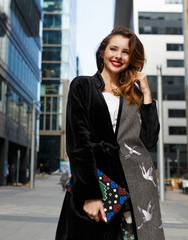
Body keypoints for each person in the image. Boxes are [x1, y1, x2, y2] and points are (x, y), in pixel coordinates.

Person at [55, 27, 165, 240]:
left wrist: (146, 93)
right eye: (113, 49)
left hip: (135, 187)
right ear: (102, 52)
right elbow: (78, 144)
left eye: (125, 52)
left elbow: (149, 140)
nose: (118, 56)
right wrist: (91, 195)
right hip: (96, 183)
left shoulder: (133, 96)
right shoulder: (83, 86)